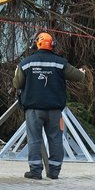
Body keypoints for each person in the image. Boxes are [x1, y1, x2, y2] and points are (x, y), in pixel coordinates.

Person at [13, 31, 85, 180]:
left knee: (34, 139)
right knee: (55, 139)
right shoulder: (60, 63)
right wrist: (82, 72)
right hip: (54, 111)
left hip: (33, 110)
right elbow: (78, 76)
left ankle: (35, 171)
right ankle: (54, 172)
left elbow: (17, 84)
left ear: (36, 44)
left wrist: (16, 72)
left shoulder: (26, 63)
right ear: (52, 45)